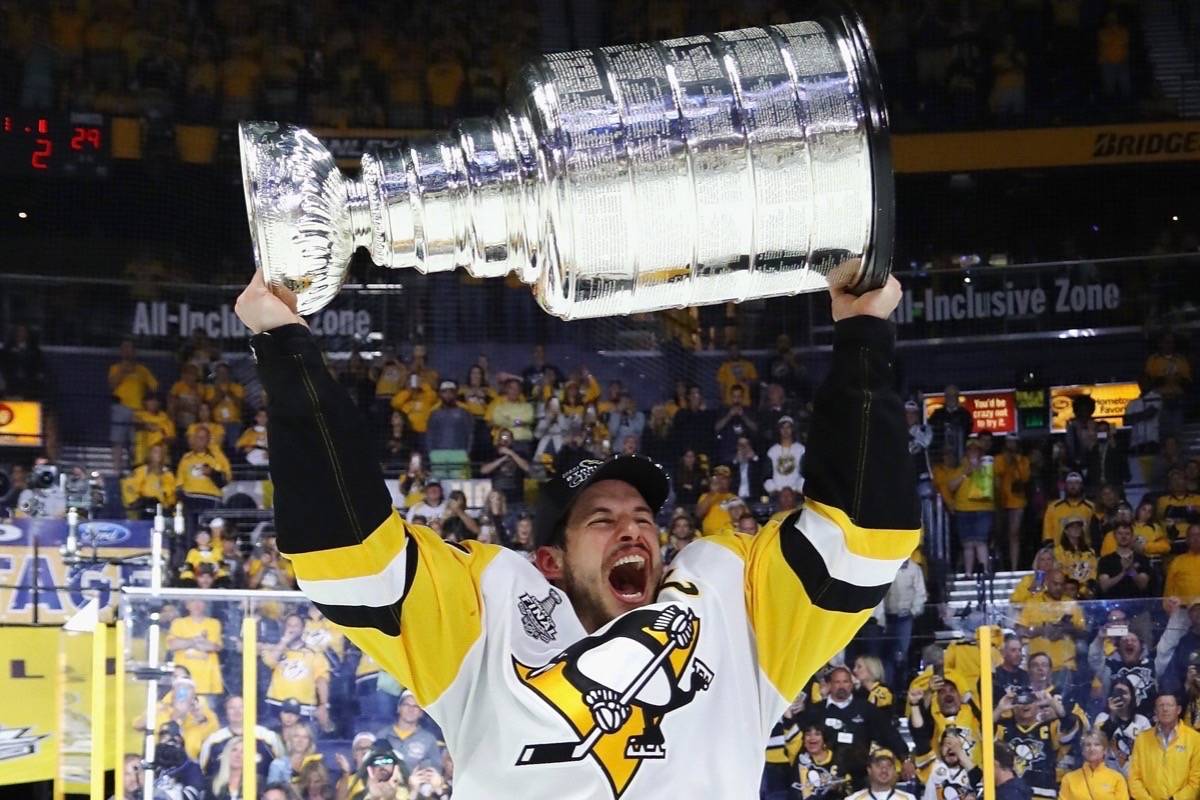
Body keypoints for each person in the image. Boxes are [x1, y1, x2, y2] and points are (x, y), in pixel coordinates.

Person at [235, 269, 918, 797]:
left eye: (645, 519)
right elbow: (347, 557)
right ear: (549, 560)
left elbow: (863, 535)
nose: (635, 531)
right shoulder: (490, 613)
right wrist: (286, 349)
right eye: (603, 519)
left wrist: (862, 333)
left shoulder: (728, 607)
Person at [994, 689, 1081, 797]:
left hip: (1043, 794)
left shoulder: (1050, 727)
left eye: (1030, 700)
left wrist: (1053, 704)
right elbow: (983, 732)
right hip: (1011, 794)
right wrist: (1000, 709)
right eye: (1020, 701)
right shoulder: (1003, 728)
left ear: (1038, 704)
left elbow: (1071, 726)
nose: (1025, 705)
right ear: (1013, 705)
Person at [260, 614, 331, 729]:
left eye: (296, 625)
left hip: (305, 706)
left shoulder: (314, 653)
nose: (292, 628)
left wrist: (323, 704)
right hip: (277, 704)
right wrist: (284, 641)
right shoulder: (275, 648)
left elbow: (321, 679)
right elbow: (270, 662)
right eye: (289, 625)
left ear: (303, 629)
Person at [1128, 693, 1200, 800]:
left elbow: (1196, 779)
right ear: (1155, 711)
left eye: (1170, 705)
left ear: (1178, 710)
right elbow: (1134, 778)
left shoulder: (1195, 739)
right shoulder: (1142, 739)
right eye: (1160, 705)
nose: (1165, 709)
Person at [199, 695, 284, 781]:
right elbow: (204, 772)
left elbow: (281, 768)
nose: (237, 711)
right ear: (226, 712)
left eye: (241, 707)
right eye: (232, 708)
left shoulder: (268, 737)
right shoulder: (213, 740)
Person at [109, 338, 159, 470]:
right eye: (124, 348)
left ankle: (135, 470)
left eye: (130, 348)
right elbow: (112, 385)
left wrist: (147, 400)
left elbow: (154, 387)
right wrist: (123, 371)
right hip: (120, 408)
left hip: (138, 410)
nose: (127, 351)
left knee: (135, 443)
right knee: (118, 441)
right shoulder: (115, 368)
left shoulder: (142, 370)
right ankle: (117, 470)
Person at [947, 435, 994, 575]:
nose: (973, 452)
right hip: (963, 510)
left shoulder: (988, 466)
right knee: (967, 544)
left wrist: (981, 470)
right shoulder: (960, 468)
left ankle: (985, 572)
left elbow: (993, 487)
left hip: (983, 510)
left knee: (981, 542)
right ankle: (968, 574)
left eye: (976, 450)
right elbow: (950, 486)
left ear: (981, 452)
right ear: (966, 452)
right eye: (970, 450)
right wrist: (965, 474)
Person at [883, 553, 927, 687]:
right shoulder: (886, 568)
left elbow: (921, 594)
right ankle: (889, 686)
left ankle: (902, 686)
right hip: (886, 617)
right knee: (887, 654)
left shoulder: (915, 569)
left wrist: (912, 612)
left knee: (901, 652)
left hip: (904, 618)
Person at [375, 690, 444, 774]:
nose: (411, 709)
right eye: (406, 705)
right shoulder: (382, 735)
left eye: (416, 706)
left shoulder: (429, 739)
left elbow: (435, 770)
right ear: (399, 708)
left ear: (421, 713)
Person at [1094, 677, 1152, 775]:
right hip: (1108, 776)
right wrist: (1112, 716)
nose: (1120, 697)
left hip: (1135, 776)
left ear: (1132, 696)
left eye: (1124, 693)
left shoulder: (1142, 721)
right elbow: (1097, 744)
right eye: (1116, 693)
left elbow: (1149, 752)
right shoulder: (1102, 718)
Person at [994, 433, 1030, 572]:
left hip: (1017, 501)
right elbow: (997, 473)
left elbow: (1025, 478)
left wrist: (1016, 462)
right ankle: (1001, 565)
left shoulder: (1023, 460)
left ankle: (1014, 567)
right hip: (1000, 501)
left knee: (1014, 534)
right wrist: (1008, 461)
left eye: (1014, 442)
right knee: (999, 534)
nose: (1011, 445)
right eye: (1009, 442)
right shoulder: (999, 459)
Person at [1059, 729, 1130, 800]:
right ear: (1083, 751)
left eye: (1097, 744)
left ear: (1105, 750)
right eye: (1088, 745)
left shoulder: (1117, 779)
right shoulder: (1069, 779)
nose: (1092, 749)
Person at [426, 379, 474, 476]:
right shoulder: (434, 414)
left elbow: (470, 434)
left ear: (456, 394)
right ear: (440, 394)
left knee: (460, 486)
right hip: (438, 455)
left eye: (451, 391)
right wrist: (431, 454)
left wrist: (466, 453)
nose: (448, 395)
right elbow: (429, 435)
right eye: (444, 392)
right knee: (439, 485)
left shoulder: (464, 413)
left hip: (460, 454)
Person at [1096, 523, 1153, 601]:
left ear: (1132, 536)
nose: (1123, 537)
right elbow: (1104, 586)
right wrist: (1123, 573)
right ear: (1114, 536)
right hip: (1113, 606)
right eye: (1120, 533)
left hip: (1137, 605)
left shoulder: (1142, 559)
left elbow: (1143, 585)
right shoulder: (1106, 560)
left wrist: (1131, 570)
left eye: (1127, 534)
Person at [152, 720, 206, 800]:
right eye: (162, 735)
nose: (168, 739)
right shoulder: (152, 765)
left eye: (175, 737)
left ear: (180, 740)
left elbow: (192, 795)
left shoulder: (192, 767)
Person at [121, 442, 177, 518]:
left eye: (161, 452)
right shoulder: (139, 472)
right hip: (143, 511)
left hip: (163, 512)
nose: (159, 455)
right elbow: (130, 491)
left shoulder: (168, 475)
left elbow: (171, 498)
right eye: (156, 452)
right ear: (149, 455)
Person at [922, 730, 980, 800]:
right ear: (940, 748)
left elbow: (984, 787)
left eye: (955, 744)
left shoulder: (971, 772)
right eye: (947, 743)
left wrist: (960, 753)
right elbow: (920, 736)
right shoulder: (931, 767)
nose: (951, 748)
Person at [481, 427, 531, 505]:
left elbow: (527, 468)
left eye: (508, 437)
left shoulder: (519, 454)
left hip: (516, 495)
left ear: (512, 440)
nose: (505, 440)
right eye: (503, 437)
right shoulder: (492, 453)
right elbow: (483, 470)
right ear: (499, 439)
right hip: (498, 495)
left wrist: (511, 454)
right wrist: (502, 459)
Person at [1042, 472, 1096, 542]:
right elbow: (1047, 530)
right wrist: (1049, 545)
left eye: (1076, 483)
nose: (1073, 486)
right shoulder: (1053, 507)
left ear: (1081, 485)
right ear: (1065, 486)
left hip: (1084, 550)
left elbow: (1095, 531)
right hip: (1059, 550)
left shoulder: (1091, 507)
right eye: (1070, 483)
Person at [845, 751, 916, 800]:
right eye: (879, 765)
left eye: (889, 766)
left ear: (894, 770)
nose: (884, 770)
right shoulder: (853, 799)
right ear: (869, 770)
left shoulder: (909, 798)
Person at [927, 386, 972, 463]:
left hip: (959, 455)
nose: (951, 398)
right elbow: (931, 432)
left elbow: (967, 432)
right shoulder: (937, 414)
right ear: (945, 397)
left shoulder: (965, 414)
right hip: (940, 458)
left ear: (957, 397)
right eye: (948, 395)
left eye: (954, 395)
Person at [765, 416, 805, 495]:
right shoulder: (772, 451)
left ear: (792, 429)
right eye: (782, 428)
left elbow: (805, 473)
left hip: (797, 493)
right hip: (777, 494)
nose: (785, 430)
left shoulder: (801, 449)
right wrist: (773, 490)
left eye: (788, 427)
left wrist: (798, 489)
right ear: (779, 430)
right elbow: (766, 475)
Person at [204, 735, 244, 800]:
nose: (238, 755)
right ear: (227, 753)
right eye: (234, 750)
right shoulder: (211, 784)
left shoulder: (258, 784)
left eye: (243, 752)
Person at [993, 634, 1031, 699]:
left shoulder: (1026, 676)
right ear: (1003, 653)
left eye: (1020, 650)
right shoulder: (995, 676)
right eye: (1013, 650)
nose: (1018, 654)